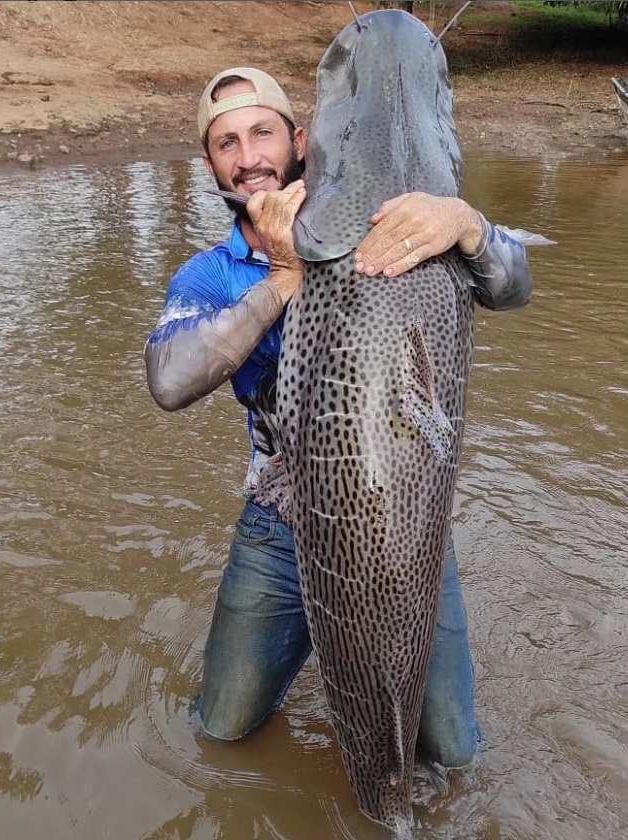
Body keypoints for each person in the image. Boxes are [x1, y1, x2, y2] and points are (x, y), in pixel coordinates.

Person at [144, 67, 532, 770]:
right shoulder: (212, 273)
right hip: (281, 523)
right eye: (227, 143)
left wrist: (468, 224)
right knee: (220, 730)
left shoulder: (392, 224)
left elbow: (513, 288)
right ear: (209, 164)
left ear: (300, 141)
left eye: (262, 133)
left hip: (408, 523)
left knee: (452, 753)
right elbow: (169, 383)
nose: (249, 157)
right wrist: (283, 278)